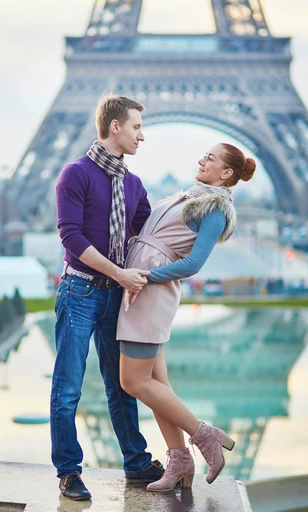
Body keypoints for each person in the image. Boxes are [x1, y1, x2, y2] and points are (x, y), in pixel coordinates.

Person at [117, 143, 256, 492]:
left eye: (210, 158)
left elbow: (195, 263)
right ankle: (179, 459)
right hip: (140, 287)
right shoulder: (190, 196)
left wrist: (144, 277)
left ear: (226, 173)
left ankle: (204, 436)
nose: (201, 160)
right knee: (157, 385)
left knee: (132, 382)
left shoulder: (216, 209)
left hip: (149, 291)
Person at [51, 94, 164, 501]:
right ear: (114, 126)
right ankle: (68, 471)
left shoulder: (132, 185)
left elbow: (149, 236)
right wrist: (119, 273)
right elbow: (71, 236)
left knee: (122, 385)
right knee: (68, 387)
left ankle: (136, 462)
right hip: (80, 290)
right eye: (136, 126)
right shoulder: (75, 174)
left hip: (117, 296)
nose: (141, 135)